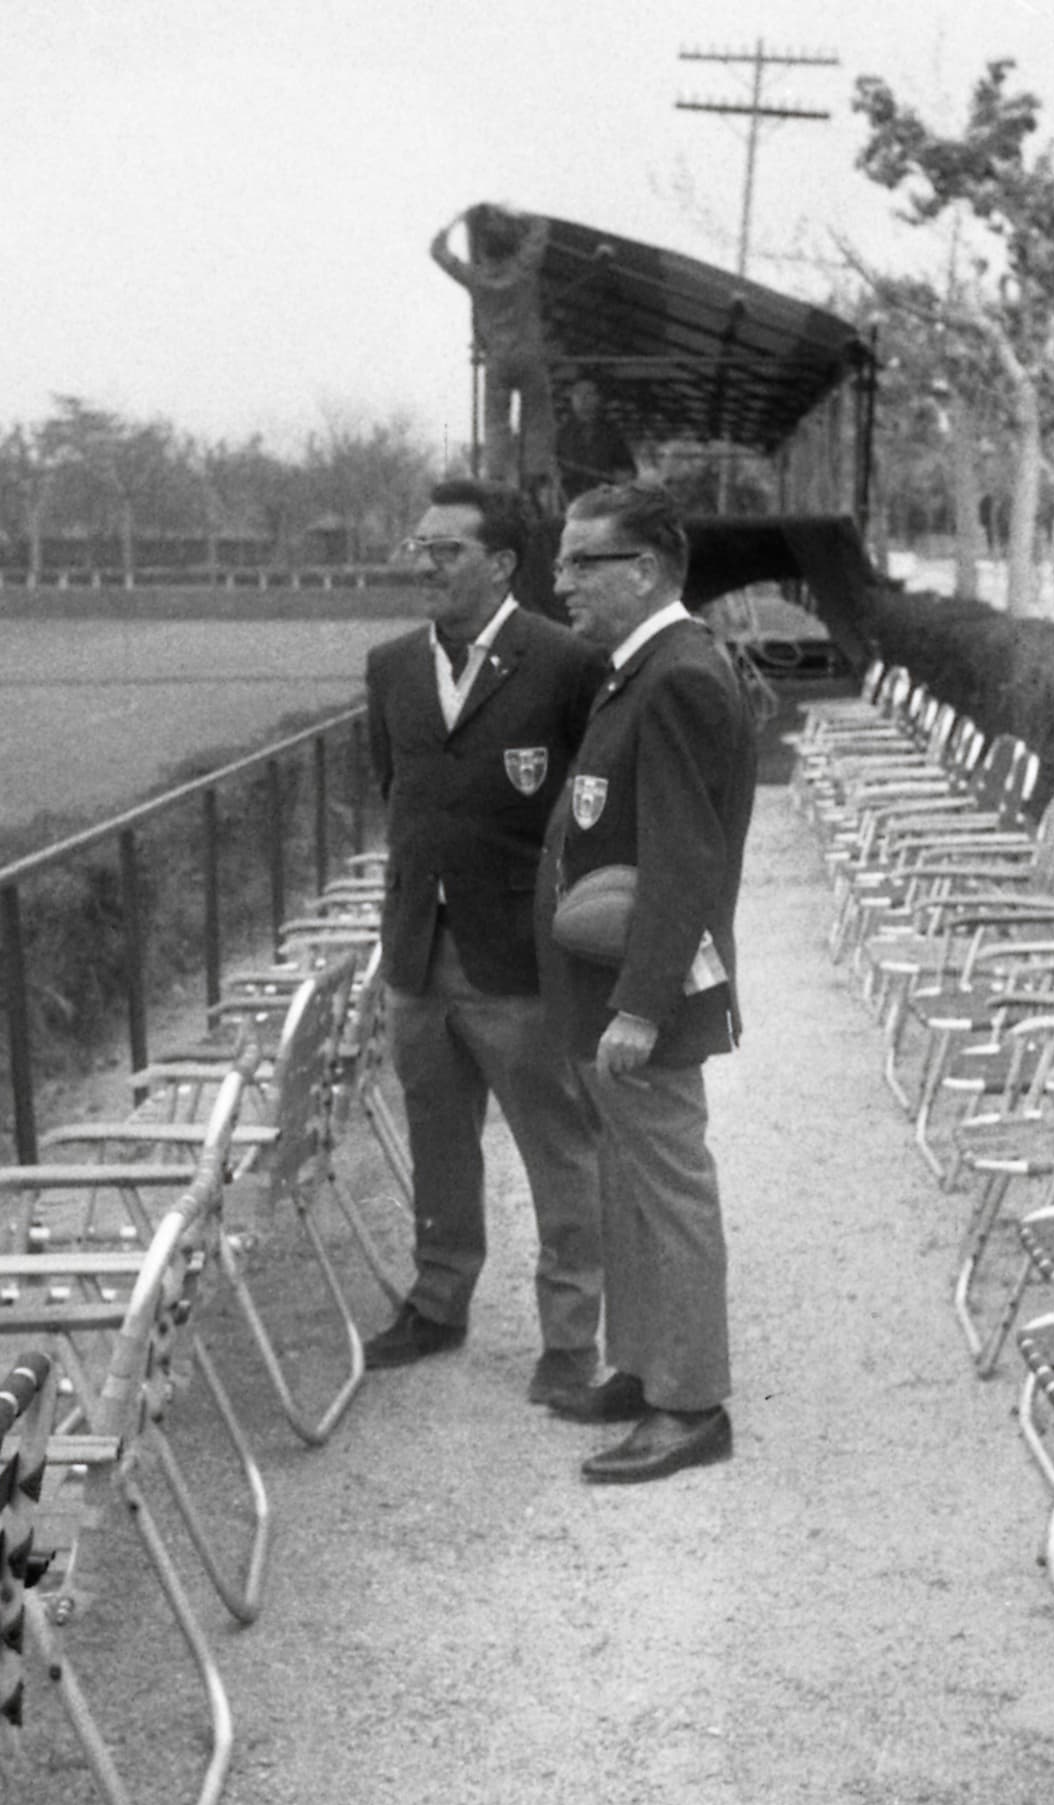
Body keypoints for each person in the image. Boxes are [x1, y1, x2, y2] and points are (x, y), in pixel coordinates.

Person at [364, 477, 605, 1404]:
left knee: (558, 1145)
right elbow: (398, 793)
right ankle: (438, 1300)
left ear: (501, 563)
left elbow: (591, 803)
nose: (424, 564)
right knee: (438, 1138)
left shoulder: (565, 663)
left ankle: (570, 1337)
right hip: (417, 951)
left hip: (520, 961)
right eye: (418, 547)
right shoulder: (392, 666)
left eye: (446, 549)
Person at [536, 481, 757, 1483]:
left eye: (583, 562)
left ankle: (690, 1402)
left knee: (668, 1193)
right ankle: (641, 1365)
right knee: (626, 1186)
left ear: (647, 570)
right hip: (615, 986)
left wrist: (639, 1006)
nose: (561, 581)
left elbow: (683, 861)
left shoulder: (677, 677)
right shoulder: (641, 668)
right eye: (562, 560)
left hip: (644, 995)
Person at [431, 205, 556, 497]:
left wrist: (455, 220)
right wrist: (517, 212)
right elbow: (541, 228)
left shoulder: (475, 277)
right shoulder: (524, 268)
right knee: (538, 416)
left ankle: (496, 476)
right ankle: (536, 474)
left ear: (483, 252)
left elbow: (437, 251)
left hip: (497, 359)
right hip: (529, 355)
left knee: (496, 421)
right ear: (513, 247)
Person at [555, 373, 636, 504]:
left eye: (588, 393)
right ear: (571, 398)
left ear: (598, 398)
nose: (582, 398)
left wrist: (623, 475)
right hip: (570, 502)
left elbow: (627, 468)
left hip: (604, 501)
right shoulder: (560, 434)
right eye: (577, 393)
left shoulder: (611, 433)